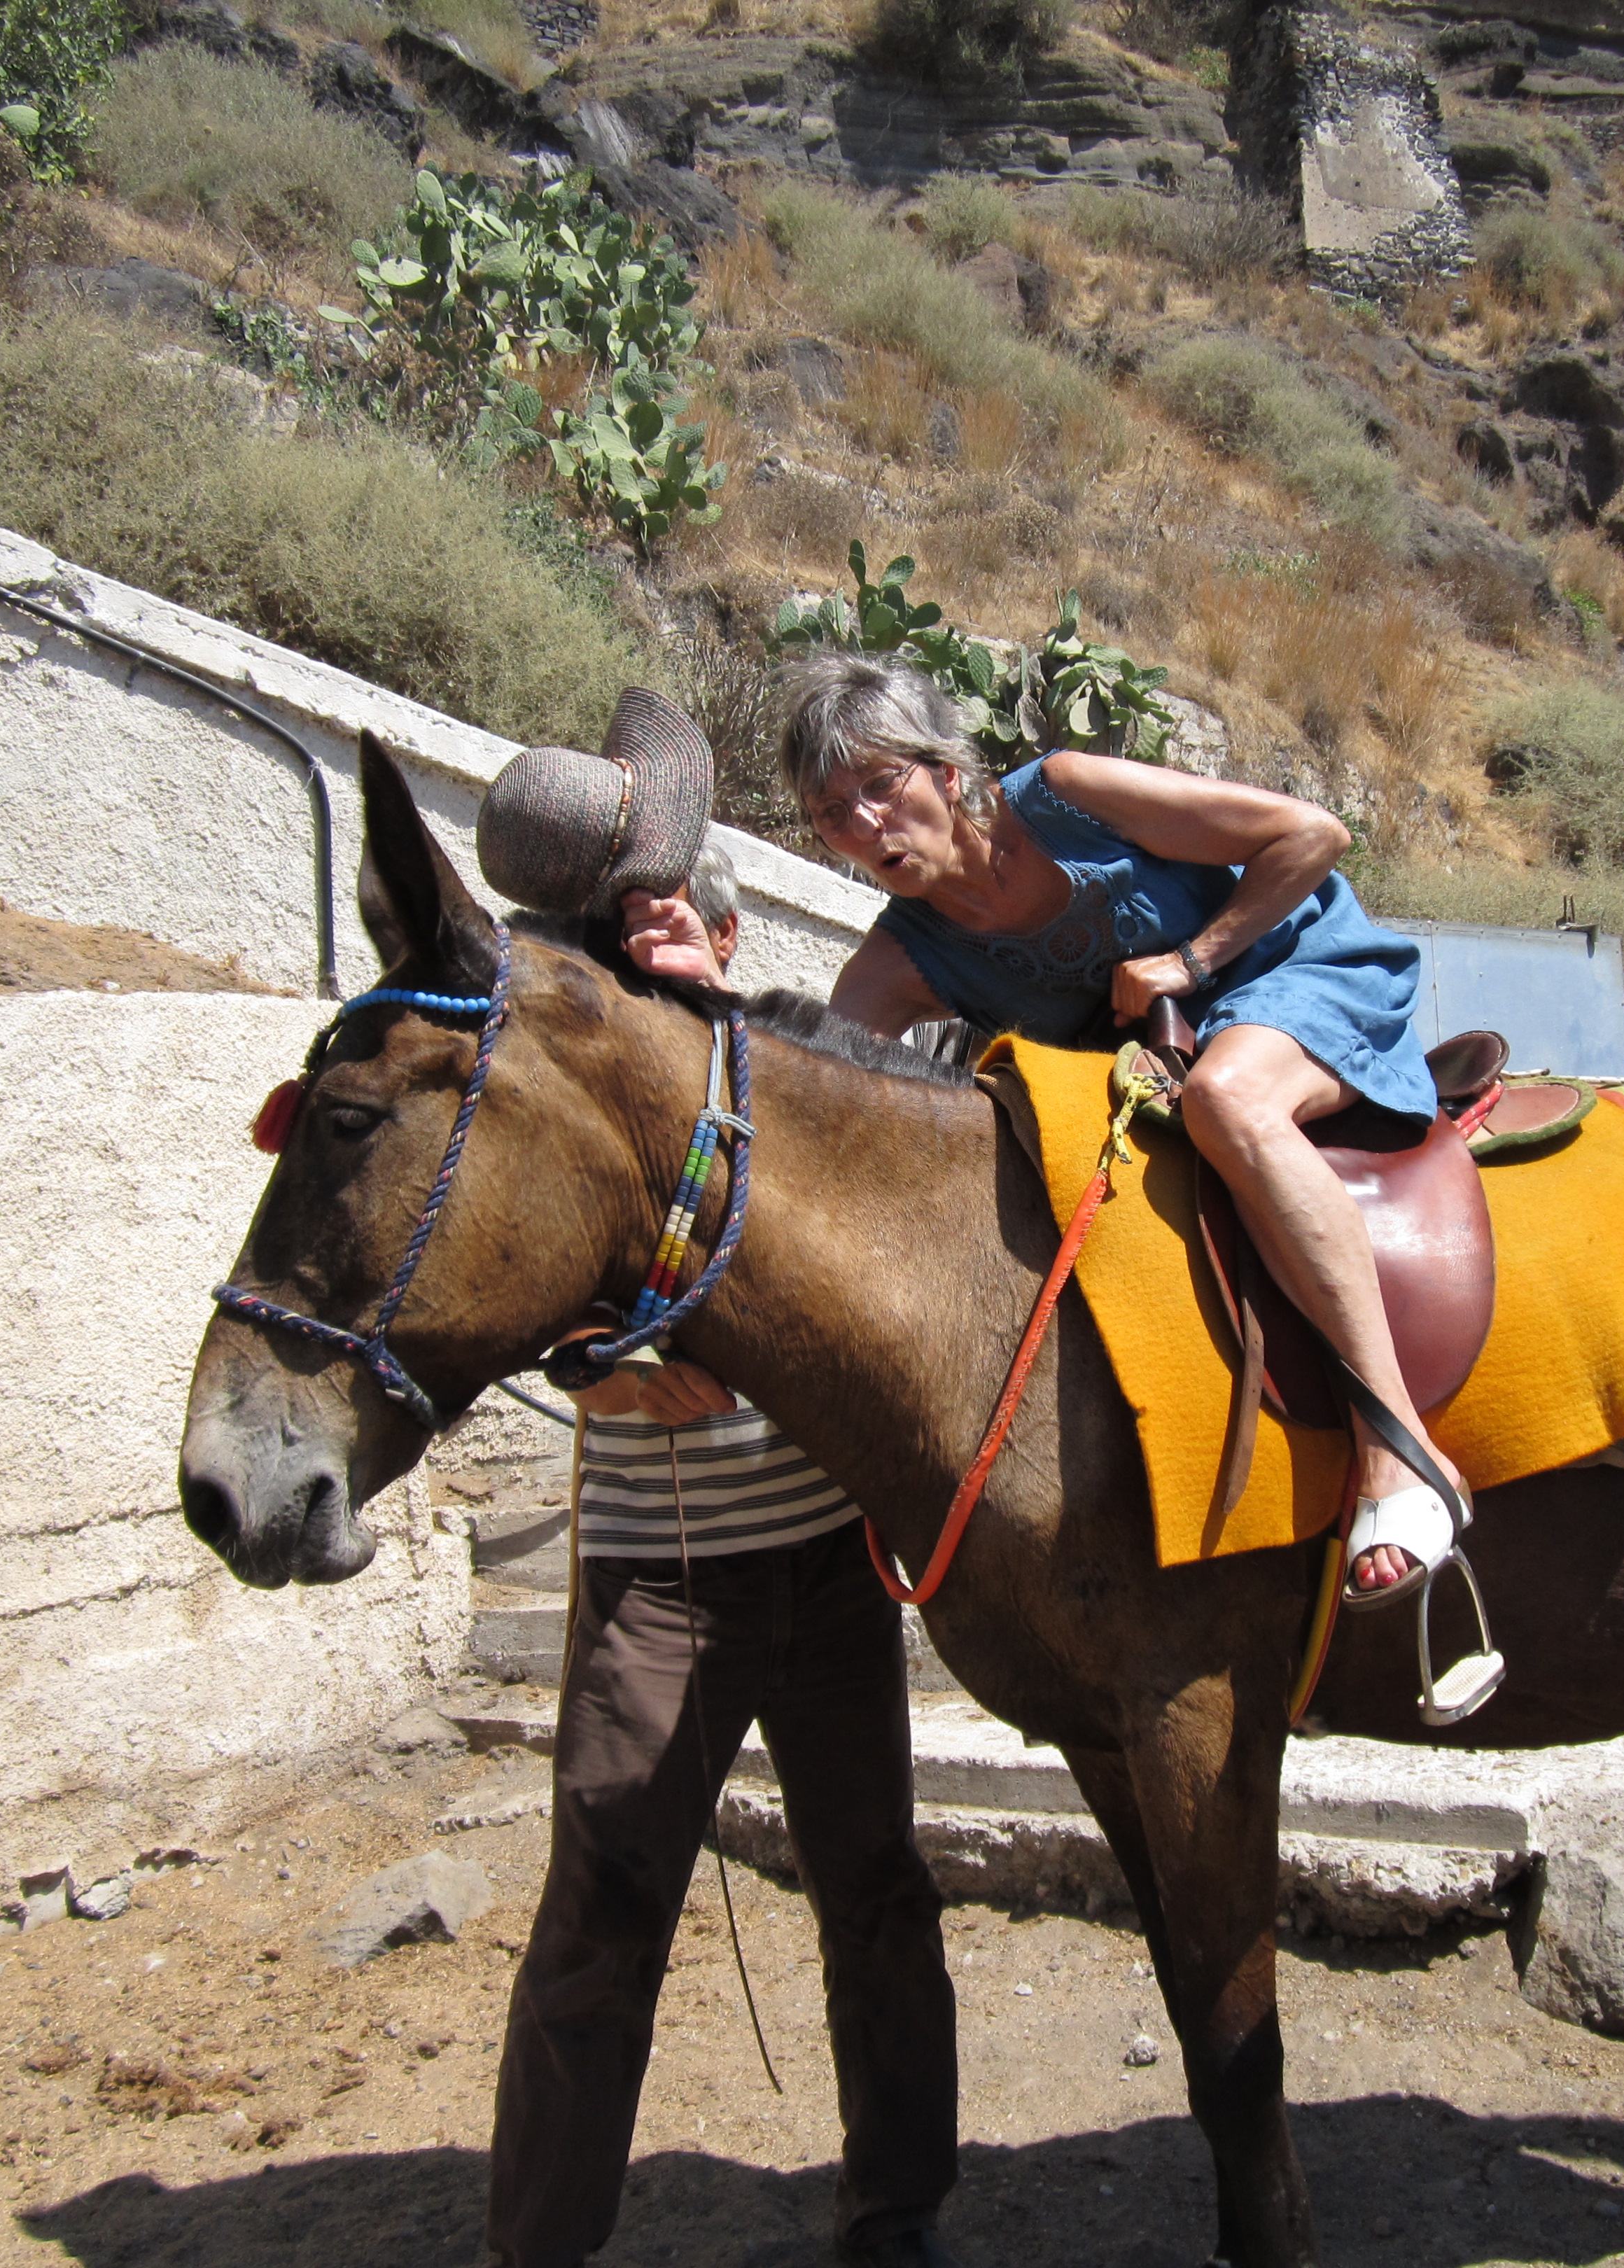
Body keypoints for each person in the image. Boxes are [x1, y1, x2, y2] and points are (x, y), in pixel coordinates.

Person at [620, 653, 1467, 1625]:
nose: (864, 825)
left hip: (1294, 970)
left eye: (881, 784)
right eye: (831, 813)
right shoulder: (903, 959)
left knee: (1230, 1102)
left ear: (947, 773)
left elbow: (1311, 836)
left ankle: (1399, 1446)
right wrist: (697, 996)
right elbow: (805, 1097)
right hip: (1158, 1073)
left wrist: (1190, 961)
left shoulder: (1065, 796)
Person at [488, 846, 962, 2268]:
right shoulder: (590, 1104)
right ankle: (538, 2248)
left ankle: (896, 2218)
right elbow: (510, 1266)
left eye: (681, 915)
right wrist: (596, 1366)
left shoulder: (804, 1087)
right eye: (630, 925)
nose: (658, 936)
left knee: (878, 1892)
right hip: (661, 1575)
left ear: (734, 934)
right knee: (604, 1908)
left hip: (826, 1564)